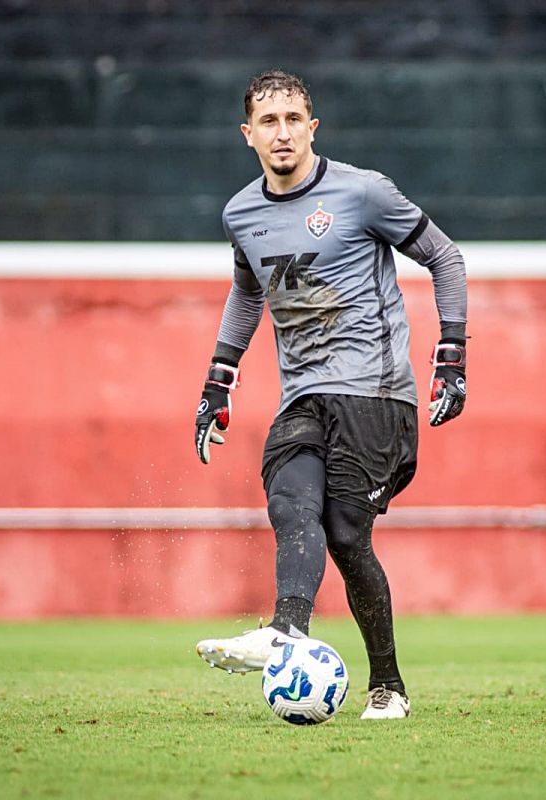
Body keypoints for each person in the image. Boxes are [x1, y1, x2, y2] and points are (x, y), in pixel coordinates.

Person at [193, 70, 468, 720]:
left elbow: (445, 257)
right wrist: (218, 378)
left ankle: (388, 687)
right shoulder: (240, 214)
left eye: (294, 119)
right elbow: (248, 292)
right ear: (247, 135)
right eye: (269, 121)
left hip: (377, 395)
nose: (282, 132)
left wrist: (452, 355)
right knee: (290, 503)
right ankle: (286, 631)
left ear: (313, 127)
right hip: (304, 396)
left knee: (345, 535)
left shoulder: (364, 193)